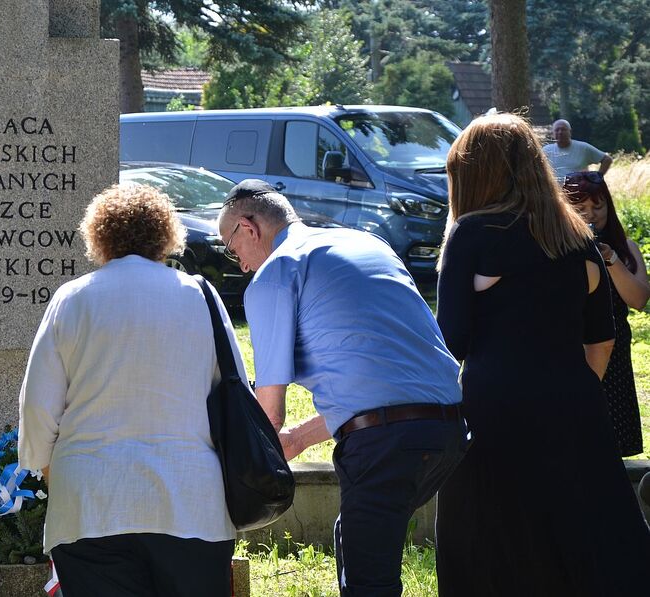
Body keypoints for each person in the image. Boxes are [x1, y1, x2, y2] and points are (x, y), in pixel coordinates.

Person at [217, 180, 469, 597]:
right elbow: (377, 388)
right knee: (354, 542)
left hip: (385, 442)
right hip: (449, 431)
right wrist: (298, 439)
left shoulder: (276, 272)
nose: (241, 265)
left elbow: (269, 414)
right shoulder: (367, 243)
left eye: (231, 248)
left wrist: (232, 474)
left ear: (249, 227)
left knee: (368, 582)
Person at [436, 113, 650, 596]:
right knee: (588, 534)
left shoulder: (471, 233)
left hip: (494, 407)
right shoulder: (580, 239)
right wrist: (569, 394)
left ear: (473, 174)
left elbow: (451, 341)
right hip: (576, 402)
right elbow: (602, 339)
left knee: (491, 540)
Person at [18, 184, 244, 597]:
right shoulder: (201, 296)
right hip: (190, 502)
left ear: (98, 236)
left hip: (91, 503)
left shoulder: (71, 298)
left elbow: (37, 407)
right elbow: (236, 392)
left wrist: (51, 472)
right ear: (166, 235)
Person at [565, 170, 649, 456]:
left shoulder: (627, 249)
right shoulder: (556, 252)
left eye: (598, 207)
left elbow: (638, 299)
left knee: (614, 439)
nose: (591, 215)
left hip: (616, 350)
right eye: (580, 208)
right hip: (575, 352)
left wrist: (610, 257)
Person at [542, 119, 613, 180]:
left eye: (563, 129)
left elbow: (607, 160)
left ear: (570, 132)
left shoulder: (583, 148)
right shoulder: (546, 150)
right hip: (554, 191)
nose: (560, 132)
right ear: (553, 133)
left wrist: (597, 178)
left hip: (580, 190)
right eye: (557, 130)